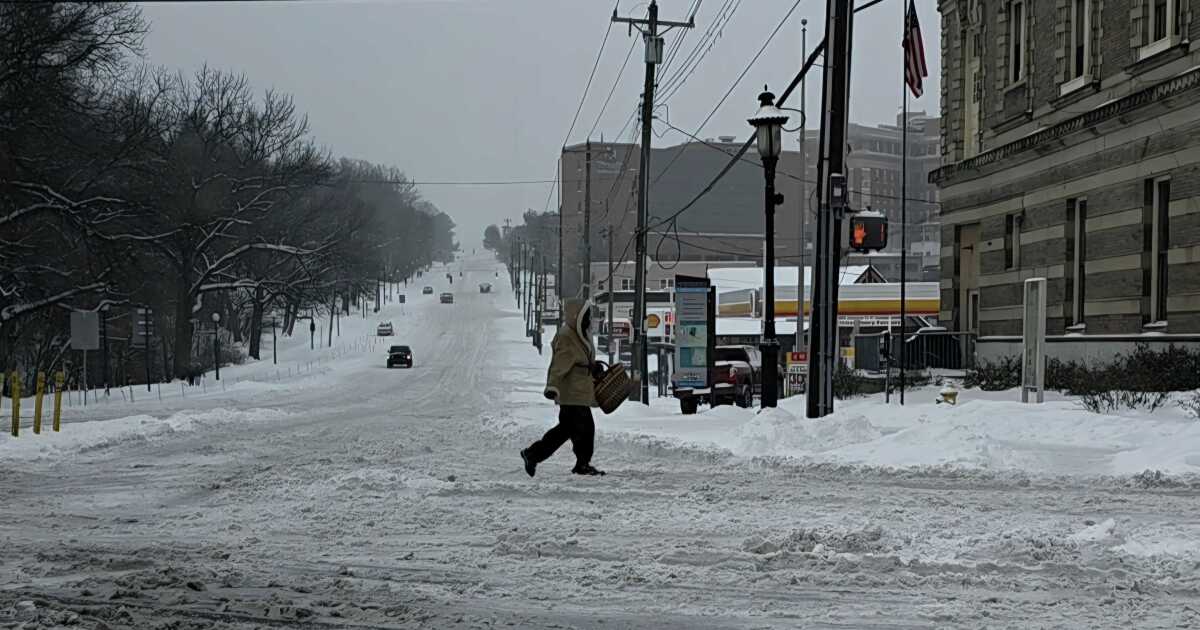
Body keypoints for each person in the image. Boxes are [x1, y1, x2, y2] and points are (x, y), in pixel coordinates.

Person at [521, 298, 605, 476]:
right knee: (585, 429)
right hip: (571, 393)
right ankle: (581, 464)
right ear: (577, 316)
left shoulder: (580, 334)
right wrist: (552, 387)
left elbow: (582, 360)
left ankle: (533, 454)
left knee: (565, 430)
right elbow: (558, 365)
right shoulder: (567, 336)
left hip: (578, 392)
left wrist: (593, 367)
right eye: (587, 315)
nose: (589, 319)